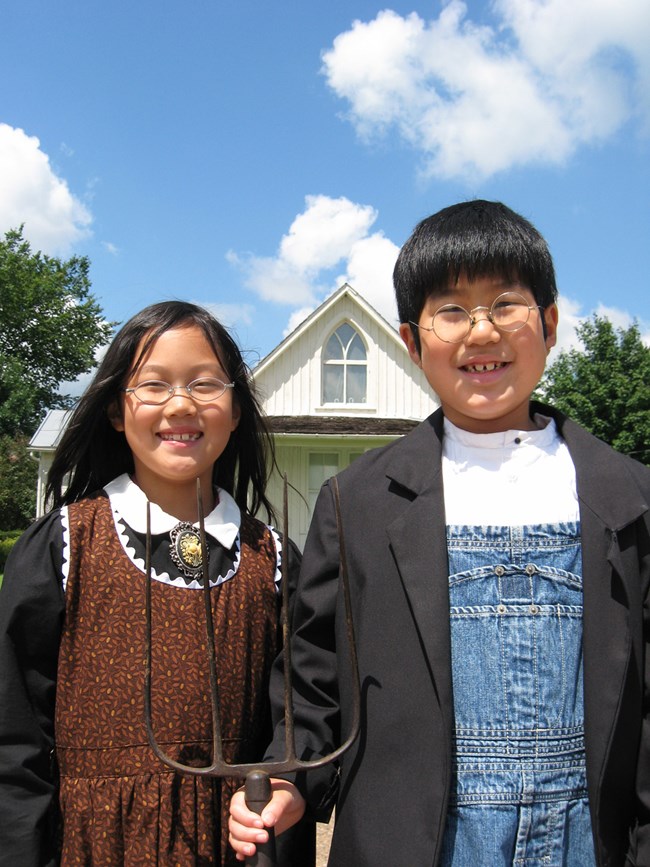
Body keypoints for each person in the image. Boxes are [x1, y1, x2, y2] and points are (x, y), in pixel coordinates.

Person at [229, 201, 650, 866]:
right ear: (411, 339)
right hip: (415, 841)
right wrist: (291, 775)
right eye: (451, 310)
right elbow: (310, 678)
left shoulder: (627, 498)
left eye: (506, 303)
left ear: (549, 322)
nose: (480, 332)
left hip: (589, 839)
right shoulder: (357, 502)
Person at [0, 300, 314, 866]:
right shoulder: (64, 545)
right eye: (153, 386)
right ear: (118, 412)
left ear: (237, 410)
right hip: (93, 845)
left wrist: (284, 783)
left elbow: (301, 709)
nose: (180, 404)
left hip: (236, 845)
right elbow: (13, 740)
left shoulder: (271, 558)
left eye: (205, 384)